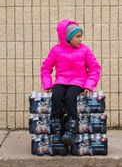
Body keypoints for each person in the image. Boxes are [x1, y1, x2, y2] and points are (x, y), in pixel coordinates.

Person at [41, 19, 101, 148]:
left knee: (69, 97)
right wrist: (48, 85)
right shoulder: (56, 50)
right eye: (77, 37)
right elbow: (46, 68)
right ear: (68, 37)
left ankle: (72, 130)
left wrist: (89, 85)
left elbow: (95, 68)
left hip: (78, 82)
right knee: (56, 96)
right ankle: (58, 129)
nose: (80, 39)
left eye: (81, 37)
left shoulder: (84, 50)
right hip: (61, 81)